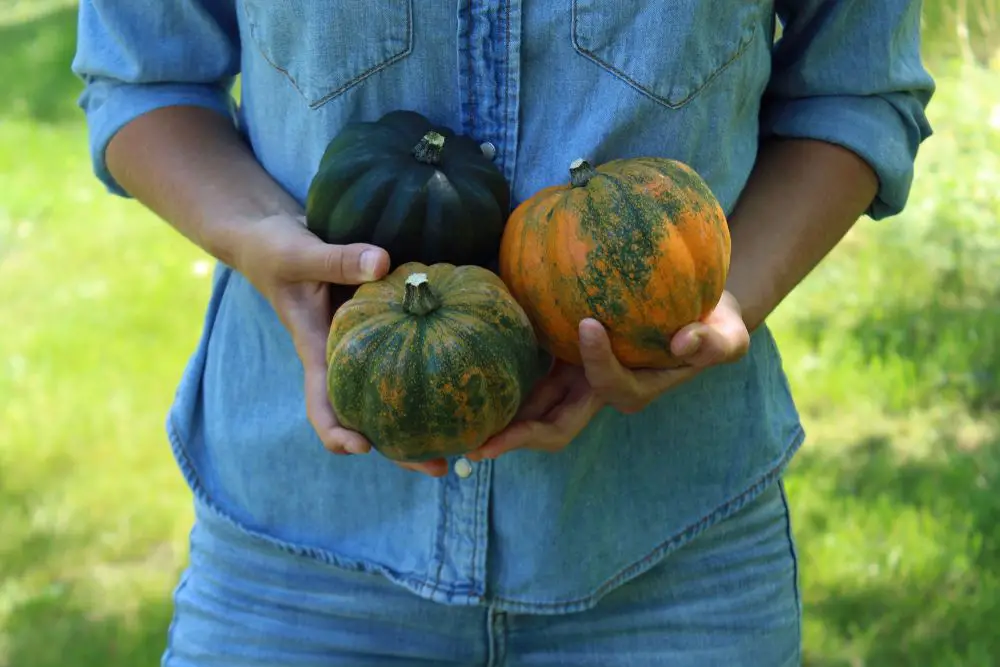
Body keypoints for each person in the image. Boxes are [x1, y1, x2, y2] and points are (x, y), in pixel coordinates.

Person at [72, 1, 934, 665]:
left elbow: (853, 92)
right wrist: (257, 232)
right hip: (296, 556)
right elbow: (142, 76)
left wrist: (715, 304)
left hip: (670, 549)